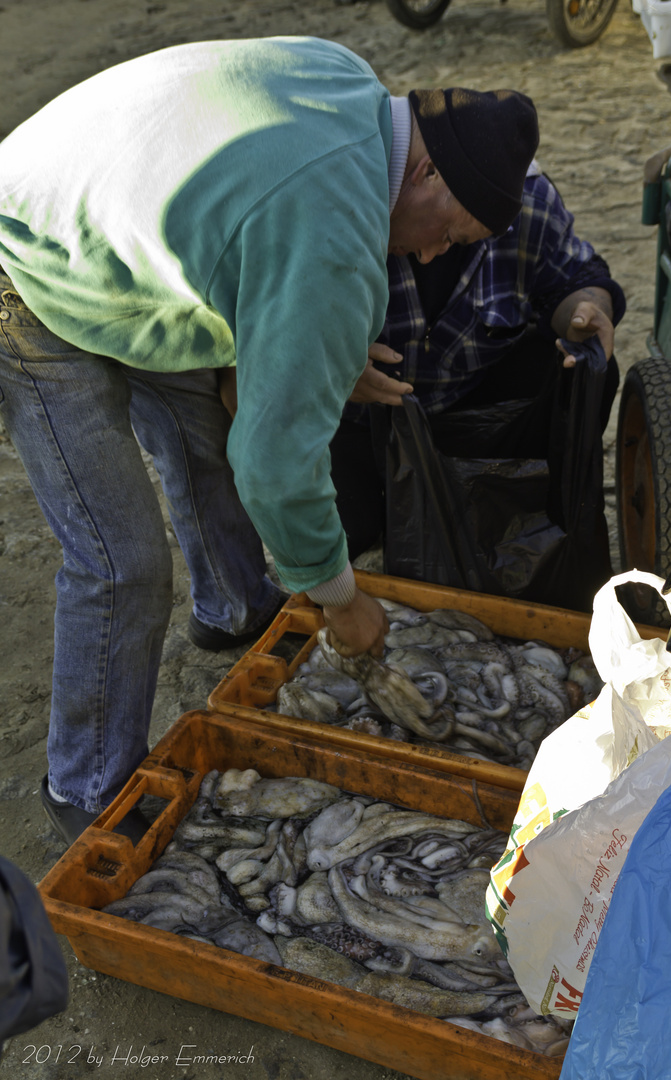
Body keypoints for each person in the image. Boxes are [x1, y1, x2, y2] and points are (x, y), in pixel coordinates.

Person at [0, 36, 540, 845]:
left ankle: (232, 606)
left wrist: (308, 348)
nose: (432, 253)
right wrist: (342, 599)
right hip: (32, 259)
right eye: (452, 235)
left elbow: (264, 240)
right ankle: (88, 785)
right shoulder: (336, 238)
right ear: (428, 173)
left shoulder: (350, 82)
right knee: (123, 561)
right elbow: (278, 467)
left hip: (114, 220)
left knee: (208, 435)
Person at [329, 146, 626, 566]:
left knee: (587, 364)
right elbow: (270, 339)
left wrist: (586, 310)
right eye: (442, 230)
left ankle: (536, 514)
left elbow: (578, 277)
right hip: (362, 421)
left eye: (457, 240)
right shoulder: (340, 204)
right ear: (426, 176)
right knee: (345, 542)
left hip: (467, 402)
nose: (431, 255)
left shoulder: (527, 200)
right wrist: (330, 366)